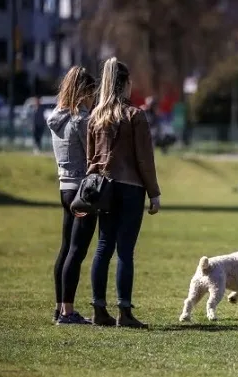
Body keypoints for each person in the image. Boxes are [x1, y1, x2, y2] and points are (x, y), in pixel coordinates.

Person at [87, 58, 161, 328]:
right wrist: (154, 193)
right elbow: (144, 159)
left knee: (103, 247)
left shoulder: (96, 116)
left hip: (104, 187)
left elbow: (90, 157)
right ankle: (125, 312)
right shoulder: (135, 116)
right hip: (131, 188)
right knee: (125, 252)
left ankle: (98, 308)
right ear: (126, 84)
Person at [47, 66, 98, 325]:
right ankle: (68, 312)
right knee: (77, 251)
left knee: (66, 247)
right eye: (92, 93)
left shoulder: (57, 118)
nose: (94, 98)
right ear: (84, 92)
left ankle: (59, 307)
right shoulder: (81, 120)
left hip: (64, 187)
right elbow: (94, 155)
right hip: (83, 191)